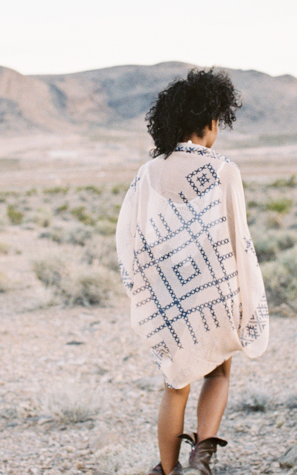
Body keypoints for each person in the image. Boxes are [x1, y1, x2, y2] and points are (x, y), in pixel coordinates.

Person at [116, 68, 269, 475]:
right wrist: (246, 298)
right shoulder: (223, 170)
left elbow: (130, 237)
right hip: (215, 292)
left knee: (174, 382)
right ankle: (201, 460)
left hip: (168, 296)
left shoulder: (147, 173)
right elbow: (239, 239)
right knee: (218, 371)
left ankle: (167, 472)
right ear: (210, 122)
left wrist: (144, 290)